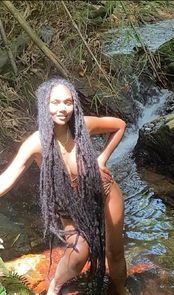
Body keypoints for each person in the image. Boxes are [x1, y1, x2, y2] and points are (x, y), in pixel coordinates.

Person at [0, 77, 127, 295]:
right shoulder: (36, 143)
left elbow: (119, 125)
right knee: (79, 252)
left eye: (68, 102)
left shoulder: (83, 126)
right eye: (55, 102)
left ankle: (119, 289)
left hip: (104, 192)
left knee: (114, 253)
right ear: (44, 105)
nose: (63, 109)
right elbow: (7, 178)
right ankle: (56, 285)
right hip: (70, 204)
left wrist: (102, 158)